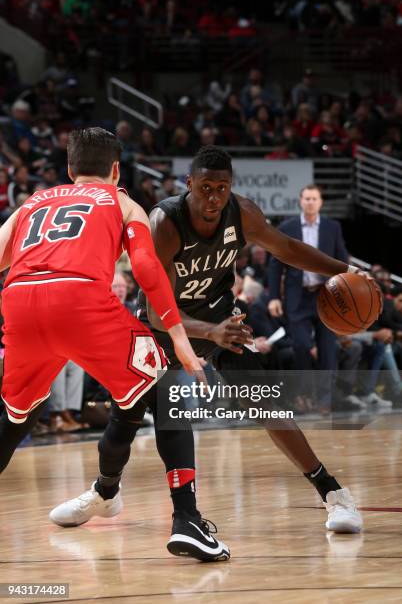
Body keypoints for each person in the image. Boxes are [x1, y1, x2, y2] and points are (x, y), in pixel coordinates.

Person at [51, 145, 367, 555]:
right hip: (163, 332)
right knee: (123, 423)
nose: (214, 197)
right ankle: (104, 493)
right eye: (206, 188)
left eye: (221, 188)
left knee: (267, 405)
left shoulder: (242, 213)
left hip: (221, 324)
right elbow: (156, 312)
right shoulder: (165, 223)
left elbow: (286, 248)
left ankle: (333, 492)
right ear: (189, 185)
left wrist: (347, 271)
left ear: (230, 187)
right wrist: (211, 331)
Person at [0, 128, 223, 557]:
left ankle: (106, 491)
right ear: (116, 170)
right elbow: (144, 265)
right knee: (165, 384)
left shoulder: (33, 201)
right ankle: (187, 520)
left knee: (15, 418)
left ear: (69, 169)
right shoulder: (121, 202)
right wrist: (177, 336)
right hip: (80, 302)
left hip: (19, 301)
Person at [267, 185, 364, 412]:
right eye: (307, 198)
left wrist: (350, 290)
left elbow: (341, 260)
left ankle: (323, 401)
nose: (310, 202)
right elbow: (275, 264)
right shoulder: (287, 227)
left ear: (320, 203)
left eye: (314, 199)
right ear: (300, 201)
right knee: (301, 345)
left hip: (325, 296)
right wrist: (273, 297)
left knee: (327, 349)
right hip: (297, 295)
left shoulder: (332, 227)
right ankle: (302, 396)